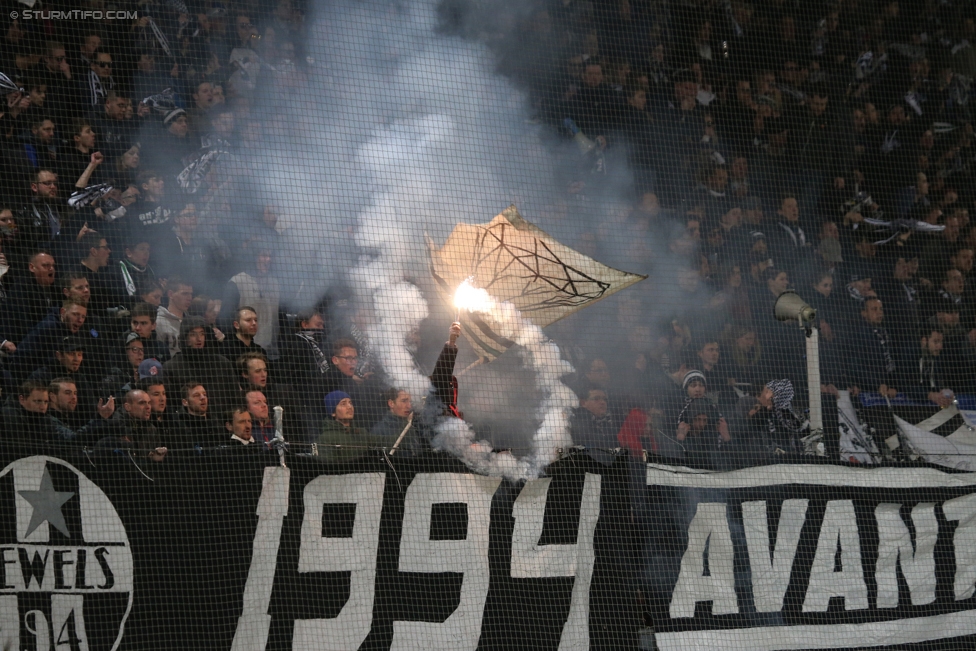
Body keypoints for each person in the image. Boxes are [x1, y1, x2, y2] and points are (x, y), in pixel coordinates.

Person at [162, 316, 238, 415]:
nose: (199, 339)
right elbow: (171, 404)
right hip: (187, 425)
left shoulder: (222, 363)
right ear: (185, 338)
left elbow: (235, 397)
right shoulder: (171, 367)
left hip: (222, 424)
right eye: (193, 334)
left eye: (202, 334)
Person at [314, 391, 386, 462]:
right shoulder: (325, 439)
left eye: (350, 403)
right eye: (343, 404)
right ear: (333, 413)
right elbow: (327, 468)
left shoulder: (361, 433)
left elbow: (384, 441)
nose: (349, 407)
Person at [370, 388, 428, 457]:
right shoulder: (379, 430)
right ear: (391, 403)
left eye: (411, 402)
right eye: (404, 401)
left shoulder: (417, 424)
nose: (409, 406)